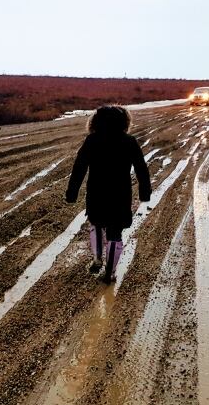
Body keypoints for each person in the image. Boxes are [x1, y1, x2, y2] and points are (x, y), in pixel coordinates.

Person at [65, 105, 151, 283]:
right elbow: (142, 169)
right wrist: (145, 192)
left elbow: (79, 167)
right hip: (120, 193)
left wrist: (72, 192)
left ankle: (97, 259)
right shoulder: (129, 141)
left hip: (97, 192)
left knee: (96, 224)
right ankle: (109, 272)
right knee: (115, 232)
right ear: (124, 122)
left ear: (96, 121)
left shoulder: (92, 140)